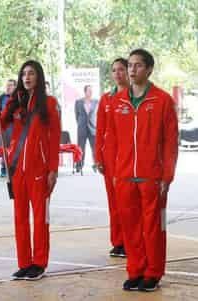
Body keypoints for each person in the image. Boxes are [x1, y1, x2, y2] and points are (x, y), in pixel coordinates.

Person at [108, 49, 178, 292]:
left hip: (152, 176)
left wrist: (167, 175)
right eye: (130, 65)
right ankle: (135, 270)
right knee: (131, 228)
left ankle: (153, 273)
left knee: (153, 229)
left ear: (149, 69)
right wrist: (115, 173)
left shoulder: (162, 100)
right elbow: (113, 140)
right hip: (125, 176)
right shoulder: (117, 101)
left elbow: (170, 142)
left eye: (138, 65)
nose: (131, 70)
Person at [0, 60, 61, 280]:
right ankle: (24, 263)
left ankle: (39, 263)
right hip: (16, 170)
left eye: (31, 74)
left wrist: (52, 170)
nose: (27, 78)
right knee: (20, 218)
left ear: (38, 77)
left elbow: (54, 138)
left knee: (40, 218)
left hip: (39, 170)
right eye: (23, 75)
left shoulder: (49, 103)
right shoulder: (14, 103)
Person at [94, 58, 129, 258]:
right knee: (113, 201)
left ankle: (130, 239)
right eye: (114, 70)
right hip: (109, 158)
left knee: (127, 201)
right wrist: (98, 156)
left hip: (128, 157)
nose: (117, 73)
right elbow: (100, 130)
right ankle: (118, 242)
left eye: (121, 69)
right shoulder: (106, 99)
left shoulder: (133, 96)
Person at [74, 85, 98, 172]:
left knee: (95, 148)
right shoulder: (78, 102)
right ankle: (79, 166)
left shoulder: (96, 101)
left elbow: (98, 115)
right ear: (85, 92)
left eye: (91, 91)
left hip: (93, 128)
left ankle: (96, 165)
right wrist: (80, 123)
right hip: (82, 128)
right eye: (89, 91)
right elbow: (77, 115)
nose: (90, 92)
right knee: (81, 148)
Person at [0, 79, 16, 177]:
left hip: (14, 125)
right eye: (7, 85)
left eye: (10, 85)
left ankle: (13, 167)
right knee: (4, 147)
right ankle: (4, 168)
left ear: (15, 87)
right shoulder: (1, 97)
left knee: (14, 147)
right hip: (4, 127)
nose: (8, 87)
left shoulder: (17, 97)